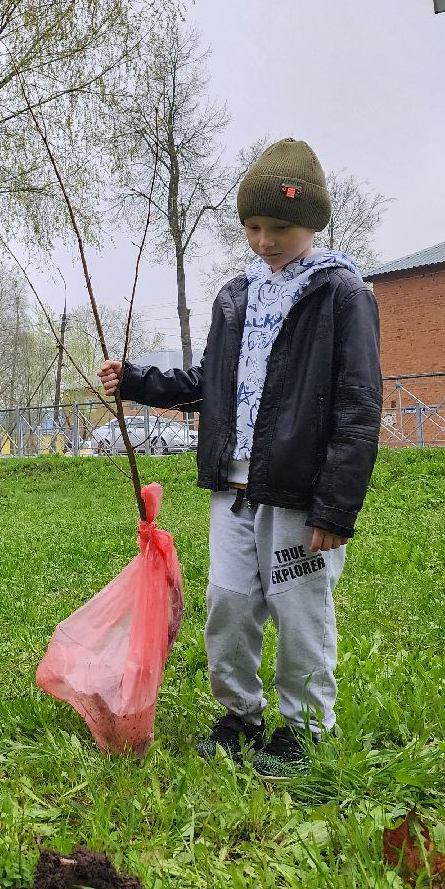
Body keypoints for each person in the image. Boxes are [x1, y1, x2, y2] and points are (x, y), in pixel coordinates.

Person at [98, 138, 381, 776]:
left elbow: (359, 406)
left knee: (299, 611)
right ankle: (239, 716)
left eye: (279, 227)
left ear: (311, 221)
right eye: (253, 227)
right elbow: (210, 383)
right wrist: (137, 380)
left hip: (297, 493)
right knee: (227, 606)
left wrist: (335, 506)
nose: (264, 241)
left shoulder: (342, 295)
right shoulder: (236, 297)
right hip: (233, 489)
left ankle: (307, 729)